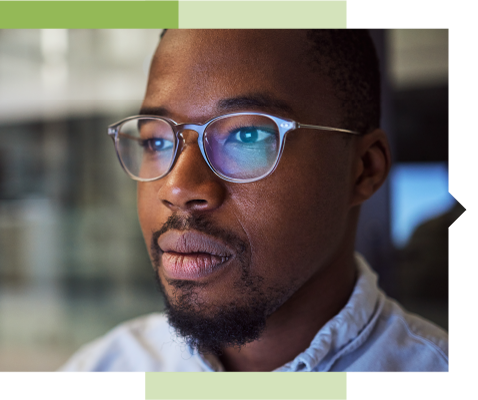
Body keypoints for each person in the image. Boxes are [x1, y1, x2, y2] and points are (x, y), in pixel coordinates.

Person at [57, 29, 473, 372]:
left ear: (363, 169)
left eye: (247, 136)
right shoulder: (105, 365)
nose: (176, 187)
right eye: (157, 140)